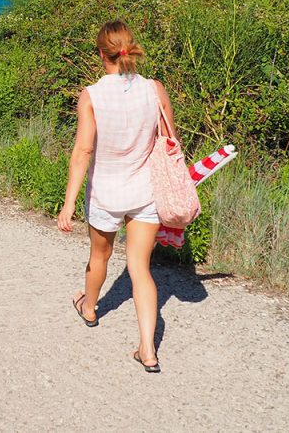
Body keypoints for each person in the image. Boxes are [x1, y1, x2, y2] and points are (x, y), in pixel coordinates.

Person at [55, 20, 178, 373]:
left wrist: (68, 203)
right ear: (130, 48)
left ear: (101, 53)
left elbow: (83, 151)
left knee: (100, 256)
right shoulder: (154, 89)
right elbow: (170, 140)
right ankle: (148, 349)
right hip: (145, 193)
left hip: (106, 194)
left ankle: (89, 308)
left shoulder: (92, 95)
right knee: (140, 268)